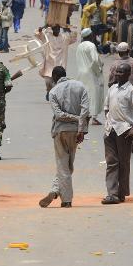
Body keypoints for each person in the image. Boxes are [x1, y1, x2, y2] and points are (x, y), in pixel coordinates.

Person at [39, 66, 89, 208]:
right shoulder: (80, 86)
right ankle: (56, 190)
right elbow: (86, 110)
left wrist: (75, 118)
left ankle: (65, 199)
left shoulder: (53, 91)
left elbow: (59, 114)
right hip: (75, 132)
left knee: (63, 166)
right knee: (68, 166)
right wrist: (81, 126)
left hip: (60, 130)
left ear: (54, 78)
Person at [101, 63, 133, 205]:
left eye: (121, 72)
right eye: (117, 72)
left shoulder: (132, 91)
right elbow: (106, 108)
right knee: (111, 162)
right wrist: (109, 121)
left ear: (128, 75)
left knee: (123, 163)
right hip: (110, 131)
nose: (118, 74)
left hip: (124, 131)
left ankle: (121, 193)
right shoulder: (112, 89)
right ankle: (112, 193)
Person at [36, 24, 77, 96]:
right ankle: (49, 91)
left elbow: (73, 38)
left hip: (60, 64)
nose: (57, 30)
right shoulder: (47, 37)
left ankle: (55, 96)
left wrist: (68, 29)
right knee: (48, 81)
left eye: (58, 28)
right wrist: (43, 27)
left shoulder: (64, 37)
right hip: (49, 63)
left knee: (59, 82)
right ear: (52, 29)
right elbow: (38, 34)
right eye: (55, 28)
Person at [76, 28, 105, 125]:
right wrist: (98, 70)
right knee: (94, 95)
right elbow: (95, 60)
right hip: (91, 73)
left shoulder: (80, 46)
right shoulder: (91, 46)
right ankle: (94, 117)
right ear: (90, 36)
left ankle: (85, 115)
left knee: (84, 95)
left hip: (81, 73)